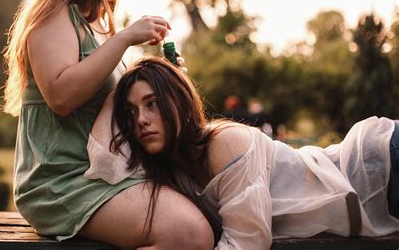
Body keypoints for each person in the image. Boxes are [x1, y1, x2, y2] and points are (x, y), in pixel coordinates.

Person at [3, 0, 214, 248]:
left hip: (106, 175)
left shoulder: (99, 29)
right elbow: (61, 97)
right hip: (63, 183)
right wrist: (126, 38)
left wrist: (165, 79)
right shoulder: (54, 15)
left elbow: (116, 104)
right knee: (189, 233)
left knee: (211, 212)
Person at [110, 57, 399, 249]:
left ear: (178, 103)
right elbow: (102, 161)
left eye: (153, 104)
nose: (141, 120)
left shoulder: (225, 143)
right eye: (131, 111)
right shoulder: (173, 172)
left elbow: (247, 242)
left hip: (378, 168)